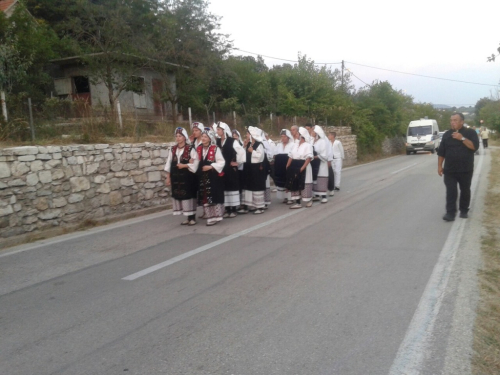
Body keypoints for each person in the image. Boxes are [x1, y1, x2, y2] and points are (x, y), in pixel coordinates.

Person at [437, 113, 479, 221]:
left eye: (455, 120)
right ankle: (450, 213)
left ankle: (464, 210)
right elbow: (442, 152)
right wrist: (439, 166)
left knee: (465, 190)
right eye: (451, 120)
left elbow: (474, 147)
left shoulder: (470, 133)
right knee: (451, 191)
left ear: (462, 121)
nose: (452, 122)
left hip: (465, 169)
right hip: (450, 169)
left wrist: (462, 138)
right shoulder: (446, 134)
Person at [164, 127, 199, 225]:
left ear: (184, 137)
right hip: (177, 177)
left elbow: (196, 162)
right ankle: (188, 217)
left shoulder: (190, 149)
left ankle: (192, 217)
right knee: (181, 196)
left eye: (180, 136)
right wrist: (168, 177)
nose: (178, 138)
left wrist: (185, 165)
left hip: (188, 177)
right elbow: (169, 163)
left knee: (189, 196)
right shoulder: (173, 149)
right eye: (177, 136)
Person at [215, 122, 245, 218]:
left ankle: (233, 209)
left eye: (219, 129)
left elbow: (241, 152)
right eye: (217, 129)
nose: (217, 131)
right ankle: (227, 209)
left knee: (231, 187)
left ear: (224, 131)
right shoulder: (218, 141)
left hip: (231, 168)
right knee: (225, 187)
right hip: (222, 168)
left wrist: (238, 162)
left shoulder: (232, 141)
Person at [196, 128, 226, 226]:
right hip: (203, 177)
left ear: (210, 138)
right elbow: (195, 160)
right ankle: (210, 217)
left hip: (213, 177)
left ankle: (216, 216)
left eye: (205, 137)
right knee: (205, 196)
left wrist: (210, 166)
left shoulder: (215, 148)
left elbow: (221, 162)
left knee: (214, 196)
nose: (203, 138)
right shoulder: (199, 148)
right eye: (203, 137)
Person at [239, 126, 267, 214]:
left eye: (248, 133)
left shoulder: (259, 144)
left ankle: (259, 207)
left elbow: (260, 156)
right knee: (248, 186)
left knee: (256, 186)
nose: (246, 135)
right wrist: (244, 146)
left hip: (256, 169)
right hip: (248, 168)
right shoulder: (248, 144)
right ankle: (250, 205)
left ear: (252, 135)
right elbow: (242, 154)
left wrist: (252, 151)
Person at [285, 127, 314, 209]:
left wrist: (302, 168)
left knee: (305, 182)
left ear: (302, 136)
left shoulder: (308, 145)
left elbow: (308, 158)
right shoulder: (295, 144)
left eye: (298, 134)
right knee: (295, 182)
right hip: (294, 165)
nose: (296, 135)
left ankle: (309, 200)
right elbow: (291, 155)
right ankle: (297, 202)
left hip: (303, 165)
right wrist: (287, 166)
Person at [273, 129, 295, 204]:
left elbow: (293, 155)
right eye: (282, 136)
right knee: (282, 181)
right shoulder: (279, 145)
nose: (283, 138)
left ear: (288, 137)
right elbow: (275, 155)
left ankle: (290, 198)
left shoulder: (292, 145)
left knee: (288, 180)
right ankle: (285, 197)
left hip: (289, 165)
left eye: (284, 136)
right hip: (280, 166)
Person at [311, 125, 329, 203]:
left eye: (313, 131)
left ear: (317, 133)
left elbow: (324, 155)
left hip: (321, 163)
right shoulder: (312, 140)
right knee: (315, 179)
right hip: (314, 163)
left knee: (321, 178)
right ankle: (316, 195)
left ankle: (324, 196)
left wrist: (315, 156)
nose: (311, 132)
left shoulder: (322, 141)